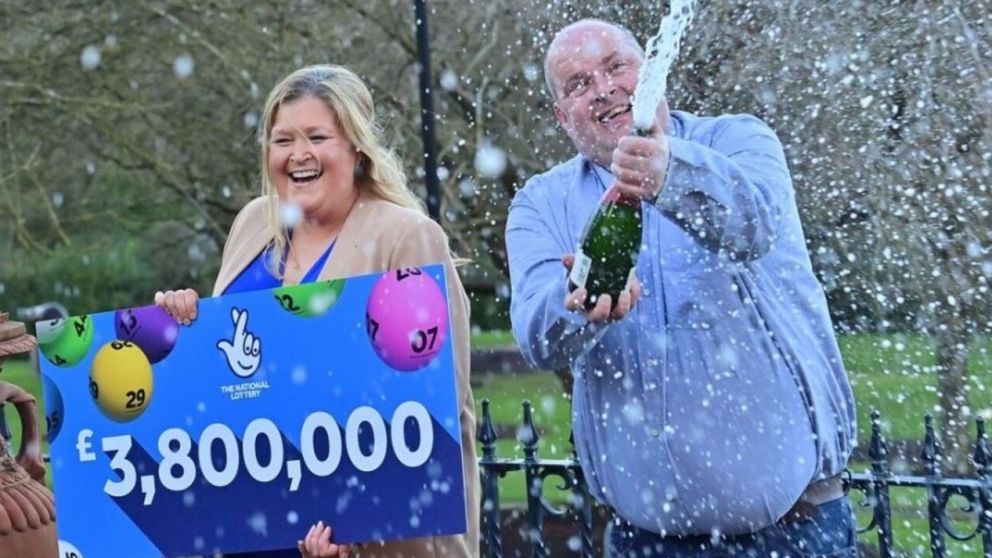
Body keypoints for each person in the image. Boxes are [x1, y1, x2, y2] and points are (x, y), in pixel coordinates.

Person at [505, 19, 858, 557]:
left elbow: (754, 223)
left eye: (616, 66)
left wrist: (672, 173)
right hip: (643, 541)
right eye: (577, 84)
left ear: (651, 71)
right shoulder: (542, 203)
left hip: (797, 532)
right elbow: (536, 333)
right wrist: (580, 301)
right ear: (562, 116)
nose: (602, 88)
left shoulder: (739, 141)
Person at [157, 65, 479, 558]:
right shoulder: (251, 225)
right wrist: (182, 327)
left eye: (317, 136)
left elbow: (438, 402)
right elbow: (227, 376)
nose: (298, 154)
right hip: (256, 526)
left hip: (366, 536)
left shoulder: (405, 235)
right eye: (282, 139)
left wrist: (357, 529)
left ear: (355, 146)